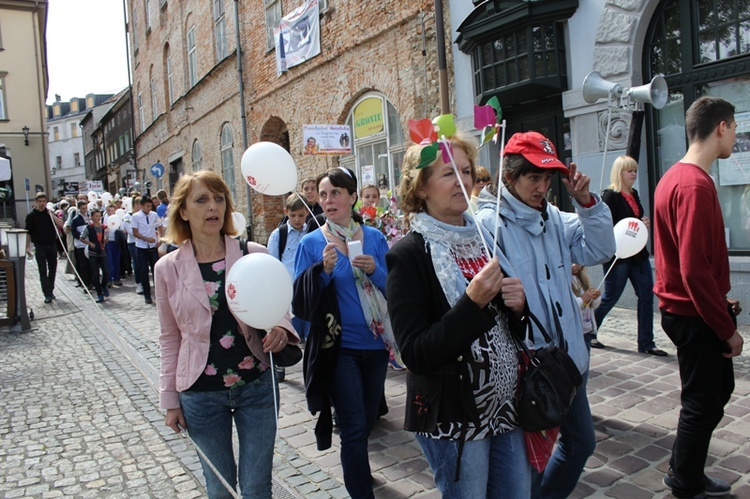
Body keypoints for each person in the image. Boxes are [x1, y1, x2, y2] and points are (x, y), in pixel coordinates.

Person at [386, 133, 530, 496]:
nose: (462, 181)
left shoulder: (484, 238)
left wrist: (518, 307)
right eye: (449, 173)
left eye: (466, 171)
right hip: (454, 415)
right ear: (421, 188)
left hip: (505, 405)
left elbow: (505, 329)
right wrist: (471, 303)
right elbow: (415, 353)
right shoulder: (408, 255)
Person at [475, 131, 615, 498]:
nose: (542, 187)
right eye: (533, 177)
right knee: (532, 461)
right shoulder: (489, 225)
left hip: (568, 361)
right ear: (509, 177)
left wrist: (587, 204)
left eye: (547, 178)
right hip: (530, 368)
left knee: (581, 443)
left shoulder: (553, 216)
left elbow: (600, 249)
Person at [156, 170, 298, 499]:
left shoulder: (254, 254)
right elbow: (169, 338)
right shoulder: (168, 268)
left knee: (256, 487)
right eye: (202, 199)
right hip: (200, 394)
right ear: (183, 211)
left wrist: (280, 328)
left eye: (219, 199)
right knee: (219, 489)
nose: (213, 207)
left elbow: (279, 308)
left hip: (257, 386)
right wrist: (169, 401)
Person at [653, 96, 743, 499]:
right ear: (721, 127)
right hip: (692, 315)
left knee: (713, 393)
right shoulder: (692, 184)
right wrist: (727, 329)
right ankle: (684, 479)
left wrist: (721, 305)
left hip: (688, 310)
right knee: (702, 401)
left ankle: (684, 468)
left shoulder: (676, 177)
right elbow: (692, 270)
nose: (736, 137)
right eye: (735, 128)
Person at [293, 167, 391, 499]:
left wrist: (375, 270)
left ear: (352, 197)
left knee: (366, 420)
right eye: (323, 194)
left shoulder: (375, 238)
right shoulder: (312, 243)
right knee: (352, 425)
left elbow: (395, 289)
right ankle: (361, 491)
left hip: (377, 345)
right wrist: (323, 271)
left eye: (335, 193)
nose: (328, 200)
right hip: (339, 347)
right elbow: (301, 300)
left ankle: (358, 469)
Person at [593, 156, 667, 355]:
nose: (634, 174)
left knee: (646, 296)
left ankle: (646, 343)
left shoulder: (633, 194)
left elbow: (631, 221)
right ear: (620, 173)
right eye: (629, 171)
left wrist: (641, 223)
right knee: (611, 296)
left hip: (638, 253)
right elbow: (604, 225)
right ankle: (590, 332)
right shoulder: (610, 195)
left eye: (635, 170)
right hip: (618, 255)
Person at [268, 194, 309, 344]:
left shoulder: (311, 232)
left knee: (311, 337)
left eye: (301, 215)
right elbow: (272, 264)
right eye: (293, 215)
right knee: (292, 337)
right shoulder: (279, 235)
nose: (297, 219)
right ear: (286, 212)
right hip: (289, 292)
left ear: (307, 213)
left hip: (309, 291)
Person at [25, 192, 65, 303]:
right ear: (36, 202)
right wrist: (27, 246)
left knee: (53, 269)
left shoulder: (50, 214)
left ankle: (50, 290)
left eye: (44, 201)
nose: (42, 204)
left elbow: (61, 224)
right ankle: (47, 294)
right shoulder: (31, 216)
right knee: (42, 270)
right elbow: (28, 232)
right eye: (40, 201)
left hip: (52, 245)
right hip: (40, 246)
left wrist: (51, 215)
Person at [131, 195, 163, 305]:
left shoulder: (153, 215)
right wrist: (145, 238)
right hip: (141, 247)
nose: (149, 208)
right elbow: (135, 232)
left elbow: (160, 227)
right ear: (141, 206)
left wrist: (160, 239)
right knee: (143, 271)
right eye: (147, 206)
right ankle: (147, 294)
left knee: (155, 269)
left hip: (153, 246)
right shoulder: (136, 217)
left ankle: (159, 294)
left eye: (150, 206)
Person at [80, 209, 110, 303]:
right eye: (96, 216)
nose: (98, 218)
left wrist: (106, 240)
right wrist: (90, 243)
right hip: (93, 253)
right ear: (92, 217)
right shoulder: (89, 227)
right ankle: (99, 294)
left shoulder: (104, 227)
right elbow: (82, 238)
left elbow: (106, 239)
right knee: (95, 274)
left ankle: (104, 285)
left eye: (99, 216)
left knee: (106, 272)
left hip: (102, 252)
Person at [572, 264, 601, 347]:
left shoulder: (581, 280)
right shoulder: (564, 282)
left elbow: (592, 306)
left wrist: (595, 298)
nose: (577, 265)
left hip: (587, 329)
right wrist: (583, 299)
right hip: (575, 331)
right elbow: (569, 306)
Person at [69, 200, 93, 289]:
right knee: (83, 265)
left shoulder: (89, 217)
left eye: (85, 208)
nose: (84, 210)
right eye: (82, 208)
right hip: (80, 245)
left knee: (90, 263)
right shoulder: (75, 220)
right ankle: (85, 282)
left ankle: (91, 281)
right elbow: (74, 232)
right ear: (79, 208)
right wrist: (81, 237)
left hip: (89, 244)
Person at [123, 196, 144, 295]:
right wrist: (142, 233)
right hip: (133, 242)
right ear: (136, 205)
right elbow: (130, 230)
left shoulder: (142, 216)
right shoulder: (128, 217)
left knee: (143, 263)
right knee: (137, 262)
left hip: (143, 242)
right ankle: (139, 282)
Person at [104, 204, 123, 287]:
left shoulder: (117, 219)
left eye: (112, 211)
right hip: (108, 242)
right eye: (109, 211)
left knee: (116, 260)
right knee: (109, 261)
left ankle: (116, 278)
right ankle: (109, 279)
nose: (110, 212)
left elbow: (122, 229)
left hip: (116, 242)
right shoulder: (105, 219)